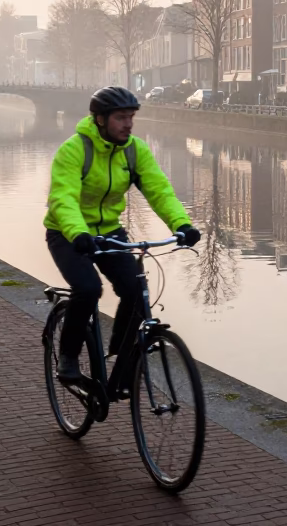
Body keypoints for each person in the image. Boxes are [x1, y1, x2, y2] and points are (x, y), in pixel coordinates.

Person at [44, 86, 201, 385]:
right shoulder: (74, 150)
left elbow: (159, 190)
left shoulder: (134, 150)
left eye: (131, 117)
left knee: (134, 289)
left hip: (109, 233)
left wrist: (182, 224)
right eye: (120, 118)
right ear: (101, 120)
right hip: (67, 233)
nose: (128, 124)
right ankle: (67, 358)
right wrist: (77, 232)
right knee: (88, 289)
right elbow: (63, 198)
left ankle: (121, 352)